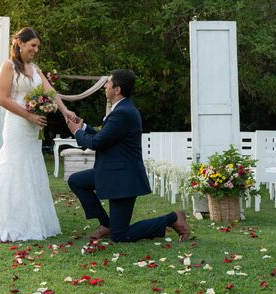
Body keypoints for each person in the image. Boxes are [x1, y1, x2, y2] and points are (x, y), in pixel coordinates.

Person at [0, 27, 75, 242]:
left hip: (34, 128)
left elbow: (50, 91)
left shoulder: (35, 67)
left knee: (31, 167)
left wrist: (65, 111)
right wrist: (29, 116)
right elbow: (2, 99)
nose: (36, 50)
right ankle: (5, 221)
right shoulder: (8, 66)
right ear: (19, 43)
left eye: (38, 46)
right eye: (33, 45)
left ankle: (31, 221)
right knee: (13, 165)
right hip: (17, 124)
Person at [66, 69, 190, 242]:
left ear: (117, 89)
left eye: (108, 83)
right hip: (112, 172)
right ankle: (106, 223)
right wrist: (84, 127)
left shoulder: (123, 112)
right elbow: (105, 137)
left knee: (120, 236)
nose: (105, 86)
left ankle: (173, 218)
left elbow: (96, 143)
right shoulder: (121, 109)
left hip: (124, 179)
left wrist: (77, 132)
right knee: (76, 181)